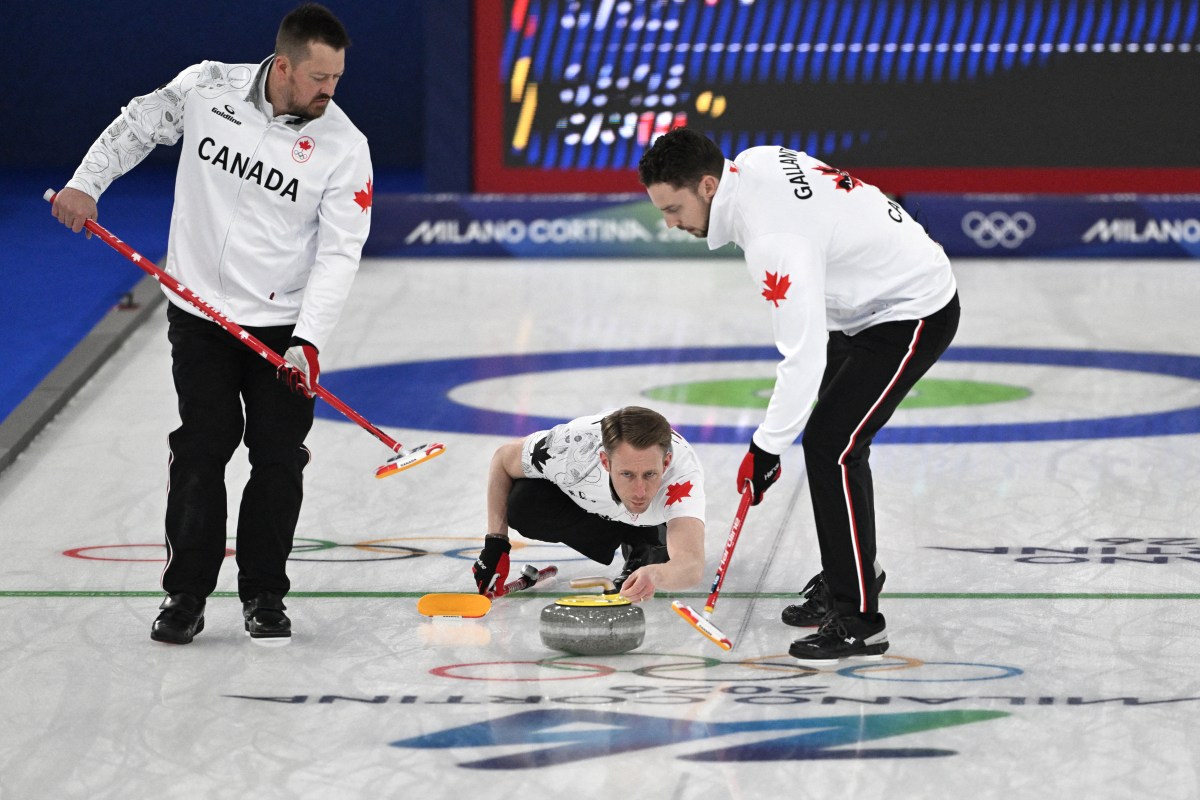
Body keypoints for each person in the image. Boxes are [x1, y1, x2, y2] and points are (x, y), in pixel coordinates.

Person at [50, 4, 373, 645]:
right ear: (282, 65)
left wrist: (309, 342)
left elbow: (340, 252)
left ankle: (264, 596)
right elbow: (140, 123)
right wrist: (86, 183)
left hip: (281, 329)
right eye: (318, 78)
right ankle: (185, 596)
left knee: (278, 459)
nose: (328, 92)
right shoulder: (208, 87)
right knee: (201, 449)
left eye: (336, 79)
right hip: (199, 314)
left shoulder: (343, 146)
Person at [637, 128, 960, 662]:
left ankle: (860, 620)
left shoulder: (772, 243)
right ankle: (852, 572)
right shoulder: (754, 163)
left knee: (832, 445)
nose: (670, 223)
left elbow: (803, 357)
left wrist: (765, 449)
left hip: (911, 309)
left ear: (709, 186)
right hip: (861, 305)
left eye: (673, 209)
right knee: (832, 441)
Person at [473, 406, 706, 602]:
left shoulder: (682, 479)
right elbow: (503, 459)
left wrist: (656, 574)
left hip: (652, 518)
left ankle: (648, 540)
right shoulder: (568, 451)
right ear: (605, 461)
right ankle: (626, 534)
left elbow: (691, 565)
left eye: (649, 474)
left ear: (666, 464)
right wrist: (496, 543)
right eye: (626, 474)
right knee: (524, 504)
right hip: (595, 501)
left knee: (664, 545)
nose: (639, 491)